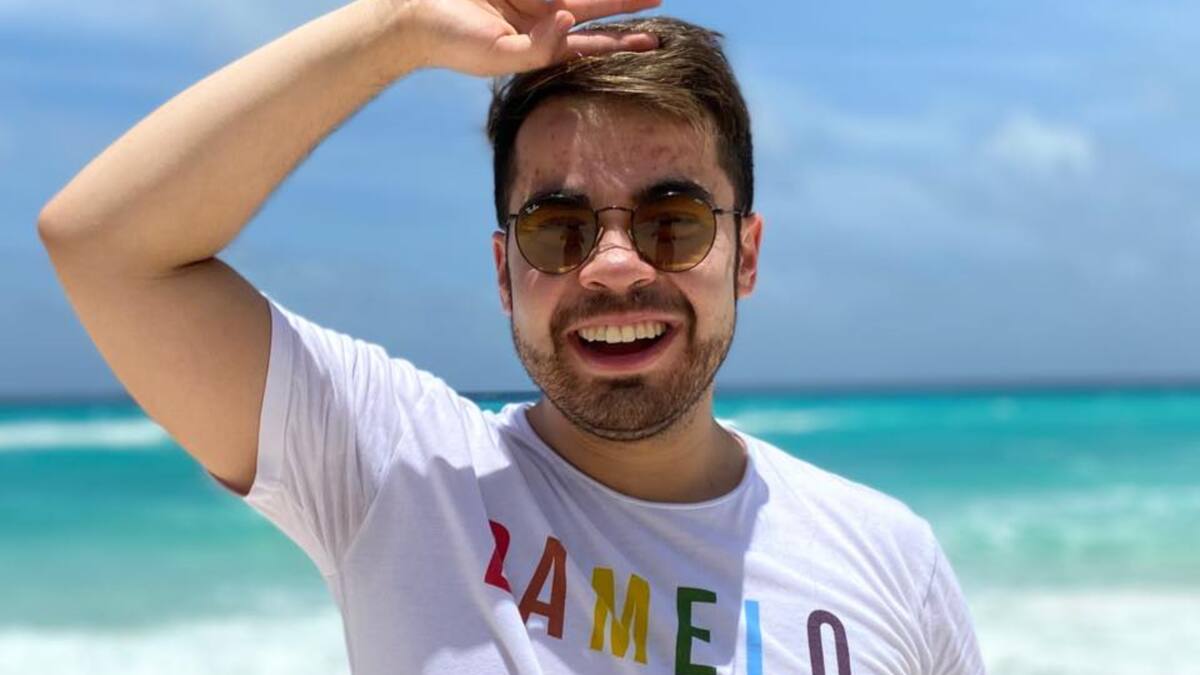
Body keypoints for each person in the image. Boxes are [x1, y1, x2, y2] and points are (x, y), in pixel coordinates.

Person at [37, 0, 986, 672]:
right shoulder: (403, 474)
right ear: (504, 271)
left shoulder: (888, 563)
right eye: (559, 229)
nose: (614, 266)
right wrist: (398, 26)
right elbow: (106, 247)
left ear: (746, 255)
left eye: (673, 221)